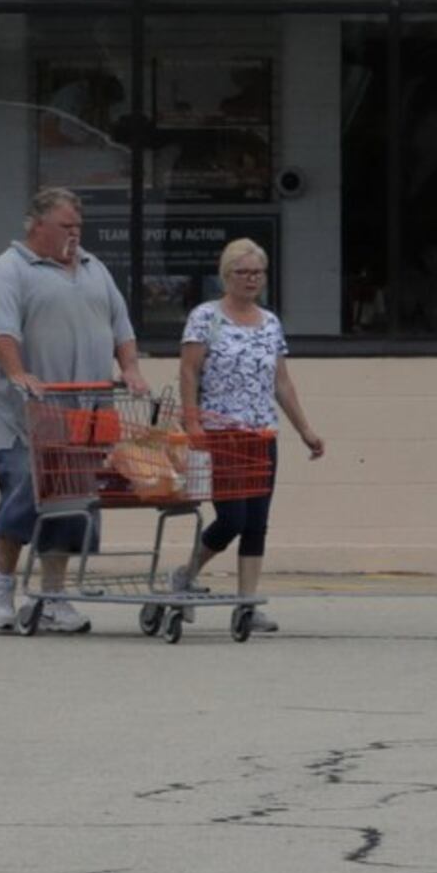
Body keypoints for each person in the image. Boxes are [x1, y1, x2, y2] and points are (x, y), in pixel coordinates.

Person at [0, 187, 148, 631]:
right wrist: (20, 375)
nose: (75, 234)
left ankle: (53, 596)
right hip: (26, 419)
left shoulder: (95, 269)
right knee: (23, 495)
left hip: (85, 416)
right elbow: (3, 335)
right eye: (66, 226)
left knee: (74, 506)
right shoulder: (10, 270)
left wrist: (130, 368)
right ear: (37, 226)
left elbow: (121, 326)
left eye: (78, 226)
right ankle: (1, 584)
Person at [165, 237, 326, 632]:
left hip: (261, 434)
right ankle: (186, 573)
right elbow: (189, 371)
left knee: (257, 520)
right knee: (232, 517)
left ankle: (247, 603)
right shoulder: (207, 317)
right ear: (226, 276)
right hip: (221, 434)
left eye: (257, 272)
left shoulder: (270, 323)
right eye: (242, 272)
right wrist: (193, 421)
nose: (251, 279)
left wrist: (305, 429)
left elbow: (281, 382)